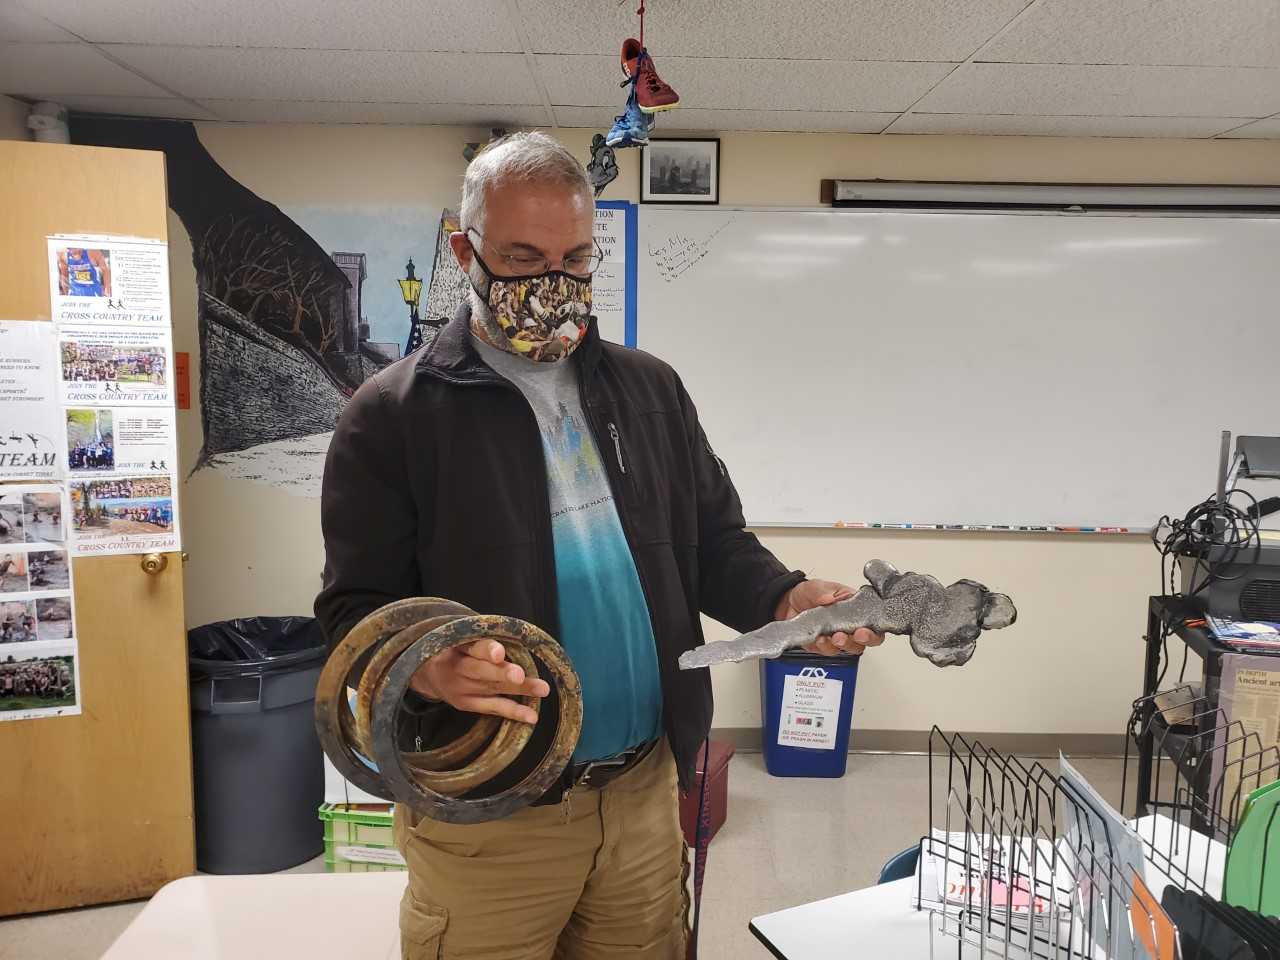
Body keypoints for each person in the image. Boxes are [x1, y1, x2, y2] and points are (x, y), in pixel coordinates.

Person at [315, 133, 882, 960]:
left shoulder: (650, 388)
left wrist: (784, 599)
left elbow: (713, 542)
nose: (555, 280)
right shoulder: (393, 415)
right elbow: (354, 611)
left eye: (576, 258)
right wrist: (426, 667)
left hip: (643, 790)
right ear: (464, 250)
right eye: (522, 256)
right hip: (488, 815)